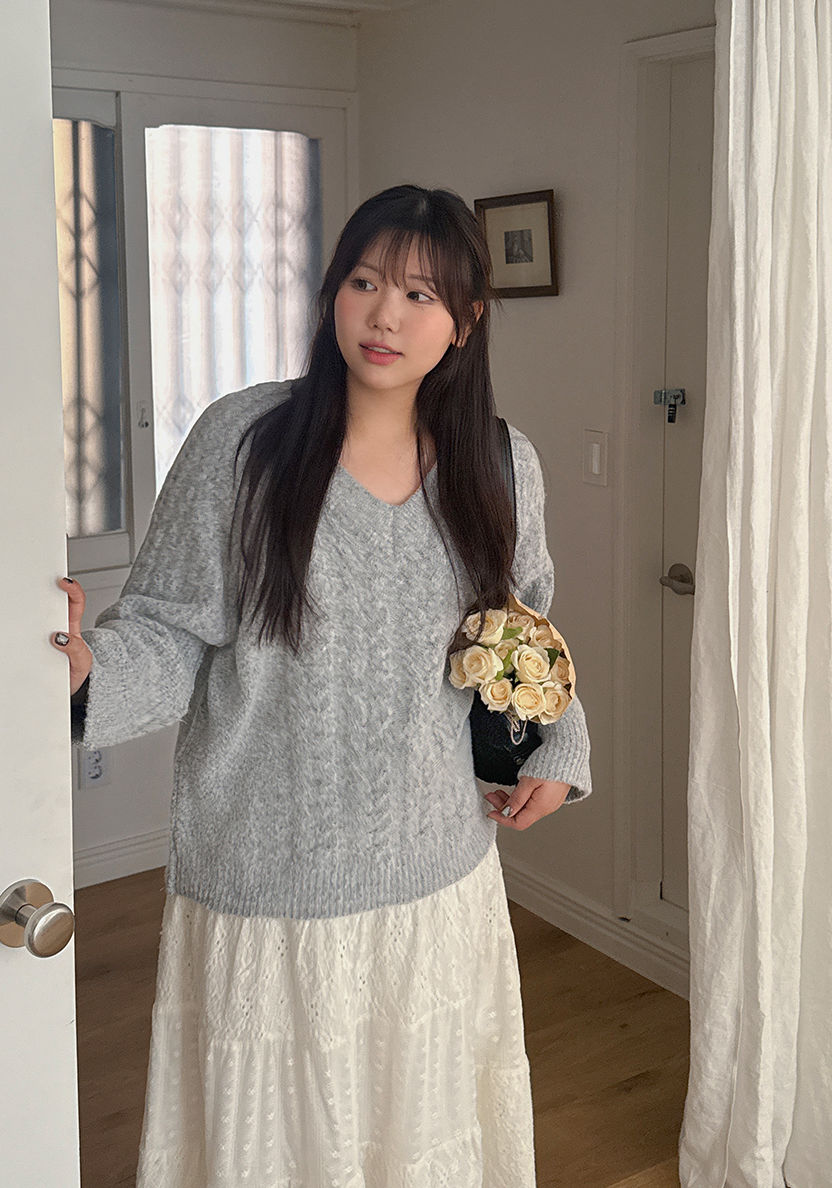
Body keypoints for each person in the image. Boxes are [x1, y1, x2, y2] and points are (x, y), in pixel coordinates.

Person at [53, 183, 592, 1187]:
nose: (386, 315)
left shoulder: (500, 461)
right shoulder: (245, 443)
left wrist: (559, 747)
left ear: (466, 321)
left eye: (421, 295)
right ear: (331, 291)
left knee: (421, 1145)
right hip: (270, 886)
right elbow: (170, 631)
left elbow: (525, 628)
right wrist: (87, 673)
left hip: (438, 879)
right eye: (364, 282)